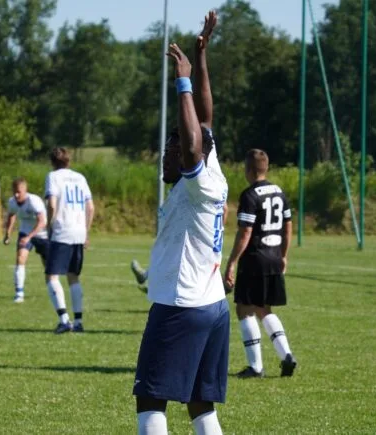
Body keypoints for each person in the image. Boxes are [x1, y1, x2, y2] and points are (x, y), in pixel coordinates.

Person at [134, 12, 229, 435]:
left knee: (151, 398)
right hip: (211, 306)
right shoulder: (212, 169)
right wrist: (201, 55)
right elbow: (205, 122)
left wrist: (183, 81)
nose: (166, 154)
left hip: (181, 305)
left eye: (170, 147)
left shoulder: (198, 183)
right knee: (198, 402)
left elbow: (194, 139)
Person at [223, 149, 298, 379]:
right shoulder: (279, 192)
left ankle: (255, 367)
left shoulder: (249, 195)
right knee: (264, 309)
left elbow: (245, 232)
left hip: (255, 258)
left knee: (244, 309)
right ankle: (286, 355)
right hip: (275, 255)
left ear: (248, 170)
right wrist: (283, 255)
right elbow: (288, 227)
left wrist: (232, 262)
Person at [44, 147, 95, 333]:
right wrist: (86, 231)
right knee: (73, 276)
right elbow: (91, 207)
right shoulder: (80, 178)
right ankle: (79, 322)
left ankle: (64, 319)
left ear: (52, 162)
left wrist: (50, 224)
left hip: (62, 230)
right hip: (79, 232)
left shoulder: (53, 177)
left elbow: (51, 203)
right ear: (68, 161)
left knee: (52, 276)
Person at [131, 203, 228, 294]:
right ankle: (152, 280)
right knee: (174, 257)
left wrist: (217, 231)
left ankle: (154, 284)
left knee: (192, 266)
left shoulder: (210, 189)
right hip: (199, 233)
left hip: (204, 236)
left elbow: (224, 209)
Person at [4, 177, 49, 303]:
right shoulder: (12, 202)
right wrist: (8, 233)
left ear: (25, 190)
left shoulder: (34, 201)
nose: (16, 194)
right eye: (14, 191)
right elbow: (11, 215)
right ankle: (19, 293)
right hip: (25, 232)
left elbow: (42, 222)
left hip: (42, 233)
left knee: (48, 266)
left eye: (19, 192)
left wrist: (30, 236)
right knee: (20, 259)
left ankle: (52, 289)